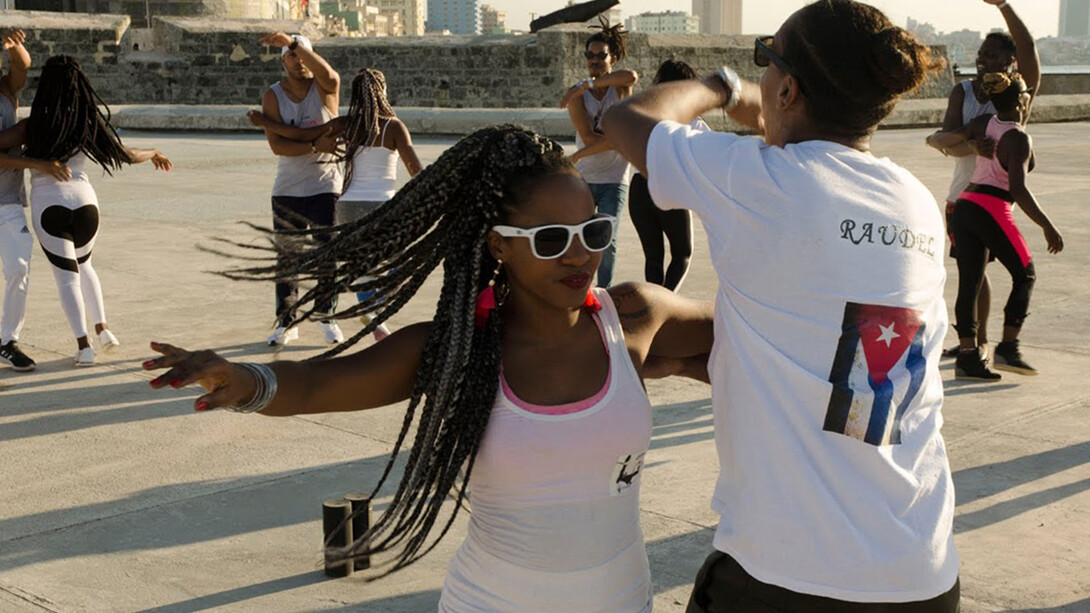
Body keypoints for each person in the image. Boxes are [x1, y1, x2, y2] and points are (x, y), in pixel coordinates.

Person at [144, 125, 714, 611]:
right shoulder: (453, 350)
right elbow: (316, 383)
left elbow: (759, 343)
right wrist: (246, 381)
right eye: (550, 239)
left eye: (594, 231)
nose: (580, 255)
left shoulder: (635, 316)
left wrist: (697, 368)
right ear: (497, 245)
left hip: (624, 599)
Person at [603, 0, 961, 609]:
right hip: (920, 570)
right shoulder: (913, 200)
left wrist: (722, 87)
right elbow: (841, 358)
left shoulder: (763, 180)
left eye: (764, 60)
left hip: (789, 578)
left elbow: (627, 118)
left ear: (788, 88)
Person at [0, 55, 171, 367]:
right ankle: (103, 329)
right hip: (86, 204)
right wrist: (155, 152)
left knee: (67, 277)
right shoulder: (87, 124)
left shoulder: (32, 126)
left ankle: (84, 347)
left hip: (49, 206)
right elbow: (127, 154)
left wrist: (34, 163)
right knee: (86, 266)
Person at [248, 67, 423, 342]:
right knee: (403, 256)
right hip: (382, 205)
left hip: (347, 206)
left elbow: (302, 135)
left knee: (359, 260)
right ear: (384, 92)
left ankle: (368, 304)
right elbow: (415, 167)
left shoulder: (345, 124)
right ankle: (372, 304)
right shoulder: (395, 127)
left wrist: (265, 123)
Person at [928, 72, 1062, 380]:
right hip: (991, 206)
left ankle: (967, 358)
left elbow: (943, 138)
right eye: (1026, 94)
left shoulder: (984, 123)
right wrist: (1047, 225)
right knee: (1025, 274)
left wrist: (972, 143)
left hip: (964, 205)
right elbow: (1018, 189)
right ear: (1020, 100)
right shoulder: (1018, 138)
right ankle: (1008, 348)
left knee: (970, 282)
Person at [928, 0, 1041, 360]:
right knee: (970, 272)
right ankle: (974, 344)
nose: (983, 60)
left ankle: (984, 342)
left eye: (992, 56)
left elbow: (1029, 50)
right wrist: (970, 144)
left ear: (1010, 63)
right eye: (981, 54)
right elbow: (942, 137)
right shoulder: (962, 92)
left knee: (984, 271)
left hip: (993, 201)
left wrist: (1003, 5)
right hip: (959, 198)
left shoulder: (1016, 97)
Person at [575, 59, 702, 291]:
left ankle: (652, 308)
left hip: (639, 190)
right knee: (682, 253)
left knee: (653, 258)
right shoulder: (693, 120)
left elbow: (613, 141)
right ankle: (666, 304)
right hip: (670, 188)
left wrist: (578, 155)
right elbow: (707, 156)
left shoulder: (643, 114)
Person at [257, 32, 344, 347]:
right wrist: (313, 144)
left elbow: (331, 75)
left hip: (325, 185)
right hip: (288, 188)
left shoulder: (324, 88)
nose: (298, 61)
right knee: (287, 258)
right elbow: (278, 146)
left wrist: (296, 44)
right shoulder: (273, 96)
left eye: (303, 54)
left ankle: (327, 316)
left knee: (326, 254)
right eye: (291, 55)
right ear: (283, 61)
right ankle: (287, 322)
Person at [559, 18, 637, 288]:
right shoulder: (577, 97)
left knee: (607, 240)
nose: (594, 60)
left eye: (601, 55)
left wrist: (589, 84)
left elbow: (632, 76)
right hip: (585, 179)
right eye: (589, 55)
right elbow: (591, 137)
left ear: (612, 57)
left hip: (615, 180)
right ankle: (579, 287)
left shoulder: (619, 87)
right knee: (578, 239)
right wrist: (618, 137)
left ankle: (603, 293)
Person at [0, 28, 43, 372]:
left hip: (7, 200)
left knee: (19, 268)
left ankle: (7, 340)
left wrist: (14, 47)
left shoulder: (5, 91)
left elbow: (22, 67)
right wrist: (35, 163)